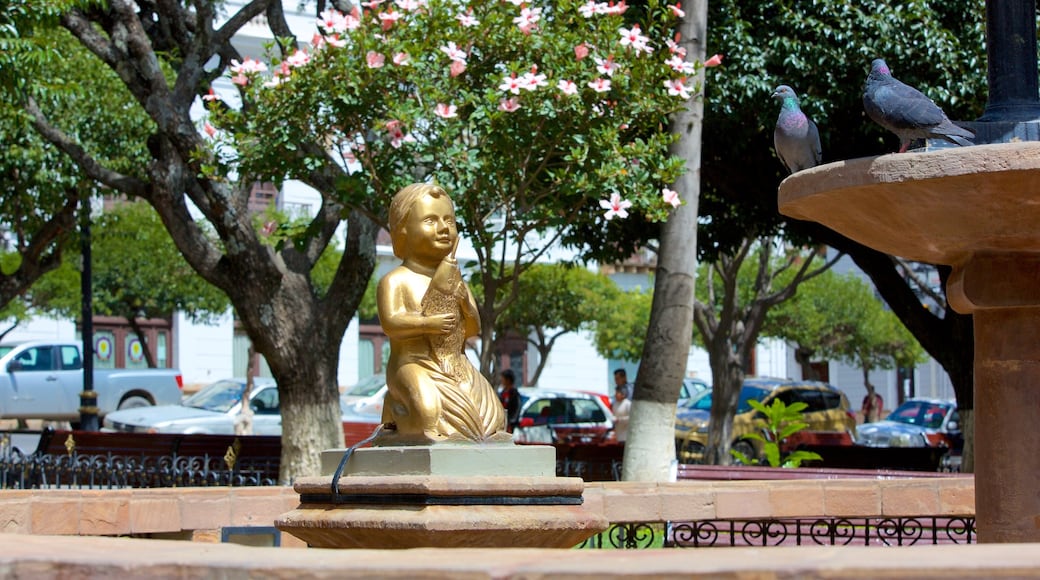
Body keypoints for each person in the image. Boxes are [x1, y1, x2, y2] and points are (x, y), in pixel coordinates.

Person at [376, 183, 508, 445]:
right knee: (428, 413)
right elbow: (391, 324)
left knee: (493, 419)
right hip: (412, 364)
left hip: (454, 364)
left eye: (449, 220)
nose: (443, 228)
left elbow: (472, 330)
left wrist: (465, 305)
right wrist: (428, 323)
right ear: (403, 230)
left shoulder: (454, 277)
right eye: (430, 220)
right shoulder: (396, 280)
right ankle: (397, 409)